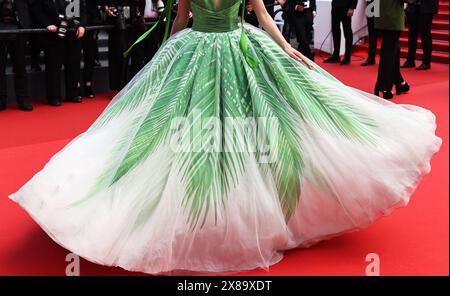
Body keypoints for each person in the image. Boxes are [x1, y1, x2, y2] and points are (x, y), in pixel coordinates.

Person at [10, 0, 441, 274]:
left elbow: (246, 16)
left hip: (226, 53)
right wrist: (162, 64)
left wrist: (286, 48)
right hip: (210, 52)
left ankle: (228, 211)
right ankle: (214, 213)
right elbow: (194, 20)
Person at [29, 0, 87, 106]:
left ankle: (73, 94)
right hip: (53, 33)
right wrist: (47, 24)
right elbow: (37, 10)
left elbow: (81, 9)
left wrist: (82, 25)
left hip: (72, 32)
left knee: (73, 64)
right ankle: (54, 96)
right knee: (53, 66)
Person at [375, 0, 411, 100]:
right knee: (389, 53)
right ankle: (384, 86)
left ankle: (399, 81)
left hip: (382, 16)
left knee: (393, 50)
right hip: (392, 18)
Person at [0, 0, 32, 111]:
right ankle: (1, 100)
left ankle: (23, 99)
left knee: (20, 67)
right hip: (1, 27)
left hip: (18, 28)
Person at [401, 0, 439, 70]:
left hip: (427, 7)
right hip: (413, 6)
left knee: (425, 34)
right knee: (411, 34)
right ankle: (410, 60)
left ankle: (426, 62)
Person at [324, 0, 358, 65]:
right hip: (335, 5)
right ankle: (336, 56)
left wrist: (352, 7)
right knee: (335, 30)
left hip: (346, 6)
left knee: (347, 32)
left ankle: (347, 57)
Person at [82, 0, 104, 99]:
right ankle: (75, 86)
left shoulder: (92, 2)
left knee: (90, 60)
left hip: (90, 34)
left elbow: (97, 17)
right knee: (73, 61)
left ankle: (88, 85)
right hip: (75, 33)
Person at [361, 0, 379, 66]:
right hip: (372, 3)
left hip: (381, 4)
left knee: (382, 32)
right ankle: (371, 57)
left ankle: (387, 59)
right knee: (372, 32)